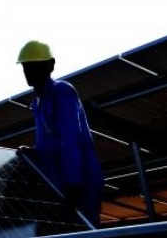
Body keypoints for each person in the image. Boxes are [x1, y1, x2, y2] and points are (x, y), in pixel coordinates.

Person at [16, 40, 103, 227]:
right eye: (26, 67)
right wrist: (34, 152)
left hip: (81, 181)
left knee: (85, 234)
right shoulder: (38, 103)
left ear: (50, 65)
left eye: (34, 66)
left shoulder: (62, 91)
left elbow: (70, 140)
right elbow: (49, 143)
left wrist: (73, 186)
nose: (28, 71)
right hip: (58, 183)